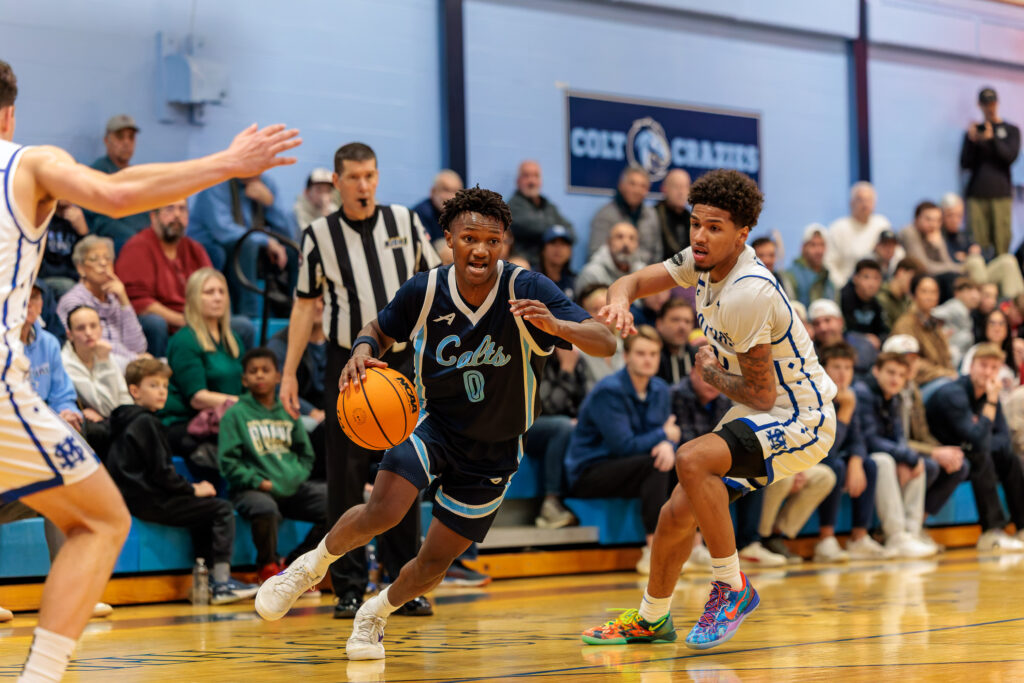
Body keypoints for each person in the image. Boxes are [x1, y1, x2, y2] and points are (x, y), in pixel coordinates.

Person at [0, 56, 300, 681]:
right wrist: (226, 163)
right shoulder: (24, 162)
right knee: (102, 520)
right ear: (9, 113)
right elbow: (116, 192)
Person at [256, 186, 616, 661]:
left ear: (504, 241)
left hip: (497, 446)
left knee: (433, 562)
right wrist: (362, 354)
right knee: (383, 510)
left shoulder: (527, 289)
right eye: (469, 237)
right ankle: (308, 567)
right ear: (449, 239)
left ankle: (375, 614)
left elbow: (606, 341)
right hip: (431, 425)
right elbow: (377, 331)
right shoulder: (425, 289)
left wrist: (560, 327)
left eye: (492, 239)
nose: (481, 249)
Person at [582, 169, 837, 650]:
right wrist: (617, 303)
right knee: (675, 513)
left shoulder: (748, 292)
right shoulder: (701, 260)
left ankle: (731, 586)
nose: (700, 235)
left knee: (692, 458)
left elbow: (760, 396)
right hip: (765, 409)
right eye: (696, 223)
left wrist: (710, 372)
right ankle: (652, 618)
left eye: (714, 227)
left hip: (802, 415)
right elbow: (634, 280)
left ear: (742, 235)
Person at [279, 141, 440, 619]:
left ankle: (402, 583)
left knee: (405, 473)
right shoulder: (318, 235)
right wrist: (289, 372)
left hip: (401, 364)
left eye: (370, 175)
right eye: (353, 177)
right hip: (346, 362)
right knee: (345, 479)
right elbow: (305, 305)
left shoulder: (406, 223)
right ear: (337, 181)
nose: (364, 185)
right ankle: (346, 585)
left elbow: (435, 286)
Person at [107, 358, 258, 604]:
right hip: (150, 499)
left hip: (134, 497)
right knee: (221, 509)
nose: (161, 391)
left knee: (202, 513)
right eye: (153, 385)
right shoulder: (146, 422)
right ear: (134, 391)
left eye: (165, 386)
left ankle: (208, 580)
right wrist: (193, 489)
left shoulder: (123, 418)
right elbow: (162, 475)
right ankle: (221, 583)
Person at [565, 326, 677, 574]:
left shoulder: (660, 389)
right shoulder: (609, 391)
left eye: (653, 354)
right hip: (590, 471)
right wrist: (664, 436)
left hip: (628, 466)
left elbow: (657, 438)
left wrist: (668, 444)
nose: (648, 359)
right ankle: (654, 552)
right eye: (640, 354)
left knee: (680, 463)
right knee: (655, 465)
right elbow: (624, 445)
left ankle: (694, 546)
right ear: (625, 357)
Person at [218, 348, 328, 585]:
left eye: (265, 370)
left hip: (291, 487)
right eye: (253, 371)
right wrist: (259, 482)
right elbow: (228, 463)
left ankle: (296, 566)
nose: (259, 376)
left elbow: (306, 455)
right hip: (254, 489)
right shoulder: (235, 414)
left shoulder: (288, 411)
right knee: (265, 509)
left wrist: (293, 478)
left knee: (337, 505)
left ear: (278, 376)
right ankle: (267, 567)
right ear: (244, 379)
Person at [115, 200, 255, 357]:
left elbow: (212, 284)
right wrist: (183, 320)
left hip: (198, 320)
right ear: (153, 217)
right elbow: (139, 302)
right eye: (169, 209)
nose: (177, 215)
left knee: (243, 327)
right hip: (167, 323)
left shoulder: (194, 248)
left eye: (182, 209)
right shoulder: (137, 247)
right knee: (154, 323)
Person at [926, 343, 1024, 550]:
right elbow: (977, 440)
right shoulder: (953, 394)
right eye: (983, 365)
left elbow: (1002, 438)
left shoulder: (988, 394)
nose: (988, 372)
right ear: (971, 367)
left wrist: (983, 436)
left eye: (994, 368)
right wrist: (991, 403)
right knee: (981, 456)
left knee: (1010, 457)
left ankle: (1022, 527)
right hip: (942, 453)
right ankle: (992, 532)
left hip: (969, 450)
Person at [855, 353, 937, 558]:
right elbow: (870, 439)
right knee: (884, 461)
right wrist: (905, 456)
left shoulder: (894, 397)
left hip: (883, 453)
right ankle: (896, 536)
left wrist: (908, 457)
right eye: (890, 372)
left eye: (901, 375)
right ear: (876, 371)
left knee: (917, 464)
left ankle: (912, 532)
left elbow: (899, 436)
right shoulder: (863, 392)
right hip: (858, 457)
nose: (895, 379)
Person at [159, 268, 245, 461]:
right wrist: (245, 405)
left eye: (221, 291)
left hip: (228, 417)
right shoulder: (185, 340)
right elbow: (198, 398)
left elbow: (245, 385)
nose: (217, 298)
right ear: (193, 299)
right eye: (209, 292)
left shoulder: (233, 340)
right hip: (186, 423)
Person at [187, 174, 294, 318]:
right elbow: (223, 230)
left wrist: (270, 204)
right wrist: (266, 241)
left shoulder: (266, 183)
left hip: (250, 246)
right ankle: (249, 315)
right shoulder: (217, 183)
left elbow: (288, 233)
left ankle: (293, 311)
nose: (257, 170)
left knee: (291, 251)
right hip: (212, 245)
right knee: (247, 244)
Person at [810, 343, 877, 562]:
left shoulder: (848, 395)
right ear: (824, 369)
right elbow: (826, 450)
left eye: (848, 368)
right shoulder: (815, 397)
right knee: (836, 465)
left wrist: (857, 461)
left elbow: (858, 438)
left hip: (835, 454)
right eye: (836, 367)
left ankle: (859, 537)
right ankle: (825, 539)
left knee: (869, 464)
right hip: (812, 460)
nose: (843, 373)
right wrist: (846, 411)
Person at [56, 235, 148, 369]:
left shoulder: (113, 298)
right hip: (94, 366)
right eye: (95, 259)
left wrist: (124, 300)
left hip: (124, 364)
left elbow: (138, 347)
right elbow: (92, 346)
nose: (103, 264)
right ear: (80, 268)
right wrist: (134, 360)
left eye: (107, 258)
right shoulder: (73, 301)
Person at [960, 87, 1020, 256]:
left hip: (1000, 193)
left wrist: (992, 139)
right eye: (986, 104)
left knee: (1002, 240)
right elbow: (965, 163)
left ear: (997, 103)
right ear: (980, 105)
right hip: (977, 194)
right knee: (978, 243)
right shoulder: (974, 131)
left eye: (992, 103)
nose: (989, 107)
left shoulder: (1010, 129)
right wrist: (973, 141)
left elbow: (1009, 157)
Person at [941, 192, 1024, 299]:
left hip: (981, 273)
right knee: (974, 261)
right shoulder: (939, 236)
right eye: (950, 215)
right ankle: (985, 299)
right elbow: (948, 259)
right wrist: (969, 256)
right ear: (942, 215)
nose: (955, 220)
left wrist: (975, 253)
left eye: (959, 215)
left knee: (1008, 260)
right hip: (962, 273)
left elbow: (987, 255)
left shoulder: (964, 235)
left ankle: (1017, 304)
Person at [86, 114, 149, 253]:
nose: (126, 142)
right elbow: (102, 222)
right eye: (120, 137)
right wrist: (139, 241)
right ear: (106, 140)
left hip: (141, 244)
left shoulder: (137, 175)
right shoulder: (98, 172)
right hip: (113, 247)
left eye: (131, 137)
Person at [61, 305, 133, 421]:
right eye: (80, 328)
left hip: (116, 421)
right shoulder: (66, 363)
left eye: (93, 326)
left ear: (101, 329)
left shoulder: (102, 352)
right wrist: (103, 363)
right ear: (70, 335)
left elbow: (125, 398)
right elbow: (107, 407)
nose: (88, 333)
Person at [890, 275, 957, 389]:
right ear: (914, 295)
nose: (929, 297)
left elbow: (946, 358)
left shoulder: (934, 323)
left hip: (941, 379)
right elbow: (909, 362)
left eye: (933, 292)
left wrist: (950, 373)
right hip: (917, 384)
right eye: (924, 291)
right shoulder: (905, 324)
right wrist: (944, 373)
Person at [825, 181, 892, 288]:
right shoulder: (838, 228)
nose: (865, 205)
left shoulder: (882, 224)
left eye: (869, 200)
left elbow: (897, 254)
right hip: (846, 287)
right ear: (851, 203)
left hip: (879, 288)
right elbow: (829, 264)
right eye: (860, 200)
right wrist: (843, 286)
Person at [589, 166, 660, 264]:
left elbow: (658, 254)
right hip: (613, 276)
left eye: (643, 186)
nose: (637, 190)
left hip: (646, 275)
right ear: (621, 185)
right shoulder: (605, 215)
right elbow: (595, 254)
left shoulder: (652, 215)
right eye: (632, 184)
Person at [507, 160, 574, 263]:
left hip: (548, 267)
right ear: (518, 181)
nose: (531, 181)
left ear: (540, 181)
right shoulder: (513, 206)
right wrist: (556, 230)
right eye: (526, 176)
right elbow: (535, 227)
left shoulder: (549, 206)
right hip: (526, 265)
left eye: (536, 176)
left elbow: (571, 232)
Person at [808, 298, 877, 378]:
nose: (823, 328)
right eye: (816, 324)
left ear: (840, 321)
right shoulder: (810, 353)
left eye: (827, 320)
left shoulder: (862, 346)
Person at [961, 308, 1017, 404]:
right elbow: (966, 379)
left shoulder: (1012, 354)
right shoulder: (976, 351)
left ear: (1007, 328)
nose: (997, 328)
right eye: (992, 323)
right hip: (980, 401)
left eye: (1001, 323)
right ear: (985, 327)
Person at [576, 221, 645, 293]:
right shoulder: (592, 274)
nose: (626, 243)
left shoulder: (643, 272)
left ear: (638, 245)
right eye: (619, 237)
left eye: (632, 238)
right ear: (608, 242)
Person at [37, 201, 87, 297]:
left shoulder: (80, 214)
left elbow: (90, 253)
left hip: (75, 278)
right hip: (45, 278)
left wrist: (83, 233)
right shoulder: (42, 214)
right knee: (68, 286)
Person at [780, 224, 834, 308]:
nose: (819, 250)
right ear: (803, 247)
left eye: (822, 245)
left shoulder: (829, 278)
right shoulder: (790, 276)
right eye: (813, 245)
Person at [932, 277, 980, 367]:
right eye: (968, 291)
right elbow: (933, 313)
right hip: (945, 355)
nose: (974, 295)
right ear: (957, 293)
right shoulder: (956, 306)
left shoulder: (968, 314)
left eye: (976, 291)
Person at [839, 258, 887, 346]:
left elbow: (882, 330)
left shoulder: (877, 304)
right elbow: (844, 330)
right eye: (866, 277)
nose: (871, 283)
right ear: (855, 279)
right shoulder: (843, 298)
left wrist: (879, 339)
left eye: (876, 278)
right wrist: (864, 338)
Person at [413, 169, 463, 243]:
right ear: (433, 192)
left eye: (456, 192)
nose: (451, 197)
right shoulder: (420, 214)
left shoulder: (463, 215)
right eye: (446, 190)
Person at [655, 297, 695, 385]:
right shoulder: (649, 356)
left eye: (687, 321)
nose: (682, 327)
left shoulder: (696, 357)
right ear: (659, 324)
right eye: (675, 320)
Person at [533, 224, 576, 301]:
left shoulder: (574, 282)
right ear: (543, 249)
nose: (558, 249)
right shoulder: (531, 280)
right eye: (553, 243)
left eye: (563, 244)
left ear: (570, 251)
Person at [655, 169, 691, 258]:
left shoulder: (691, 218)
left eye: (685, 187)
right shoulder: (653, 215)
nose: (681, 192)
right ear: (664, 189)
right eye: (676, 186)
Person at [878, 258, 921, 329]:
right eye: (912, 279)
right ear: (901, 272)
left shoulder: (908, 300)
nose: (913, 284)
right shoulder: (880, 295)